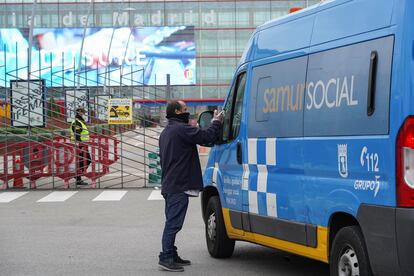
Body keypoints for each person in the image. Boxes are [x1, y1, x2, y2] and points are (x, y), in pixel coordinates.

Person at [158, 100, 223, 272]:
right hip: (177, 185)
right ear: (178, 112)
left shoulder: (167, 131)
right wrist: (216, 121)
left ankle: (171, 254)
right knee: (173, 224)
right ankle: (166, 257)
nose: (188, 112)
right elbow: (206, 137)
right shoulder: (181, 129)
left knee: (172, 221)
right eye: (185, 109)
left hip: (170, 183)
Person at [70, 107, 91, 186]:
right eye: (82, 112)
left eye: (84, 112)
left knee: (82, 161)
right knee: (87, 160)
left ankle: (78, 177)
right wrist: (80, 145)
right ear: (78, 112)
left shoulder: (80, 121)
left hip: (83, 144)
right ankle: (77, 175)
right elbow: (77, 134)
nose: (83, 113)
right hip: (80, 145)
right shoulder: (76, 122)